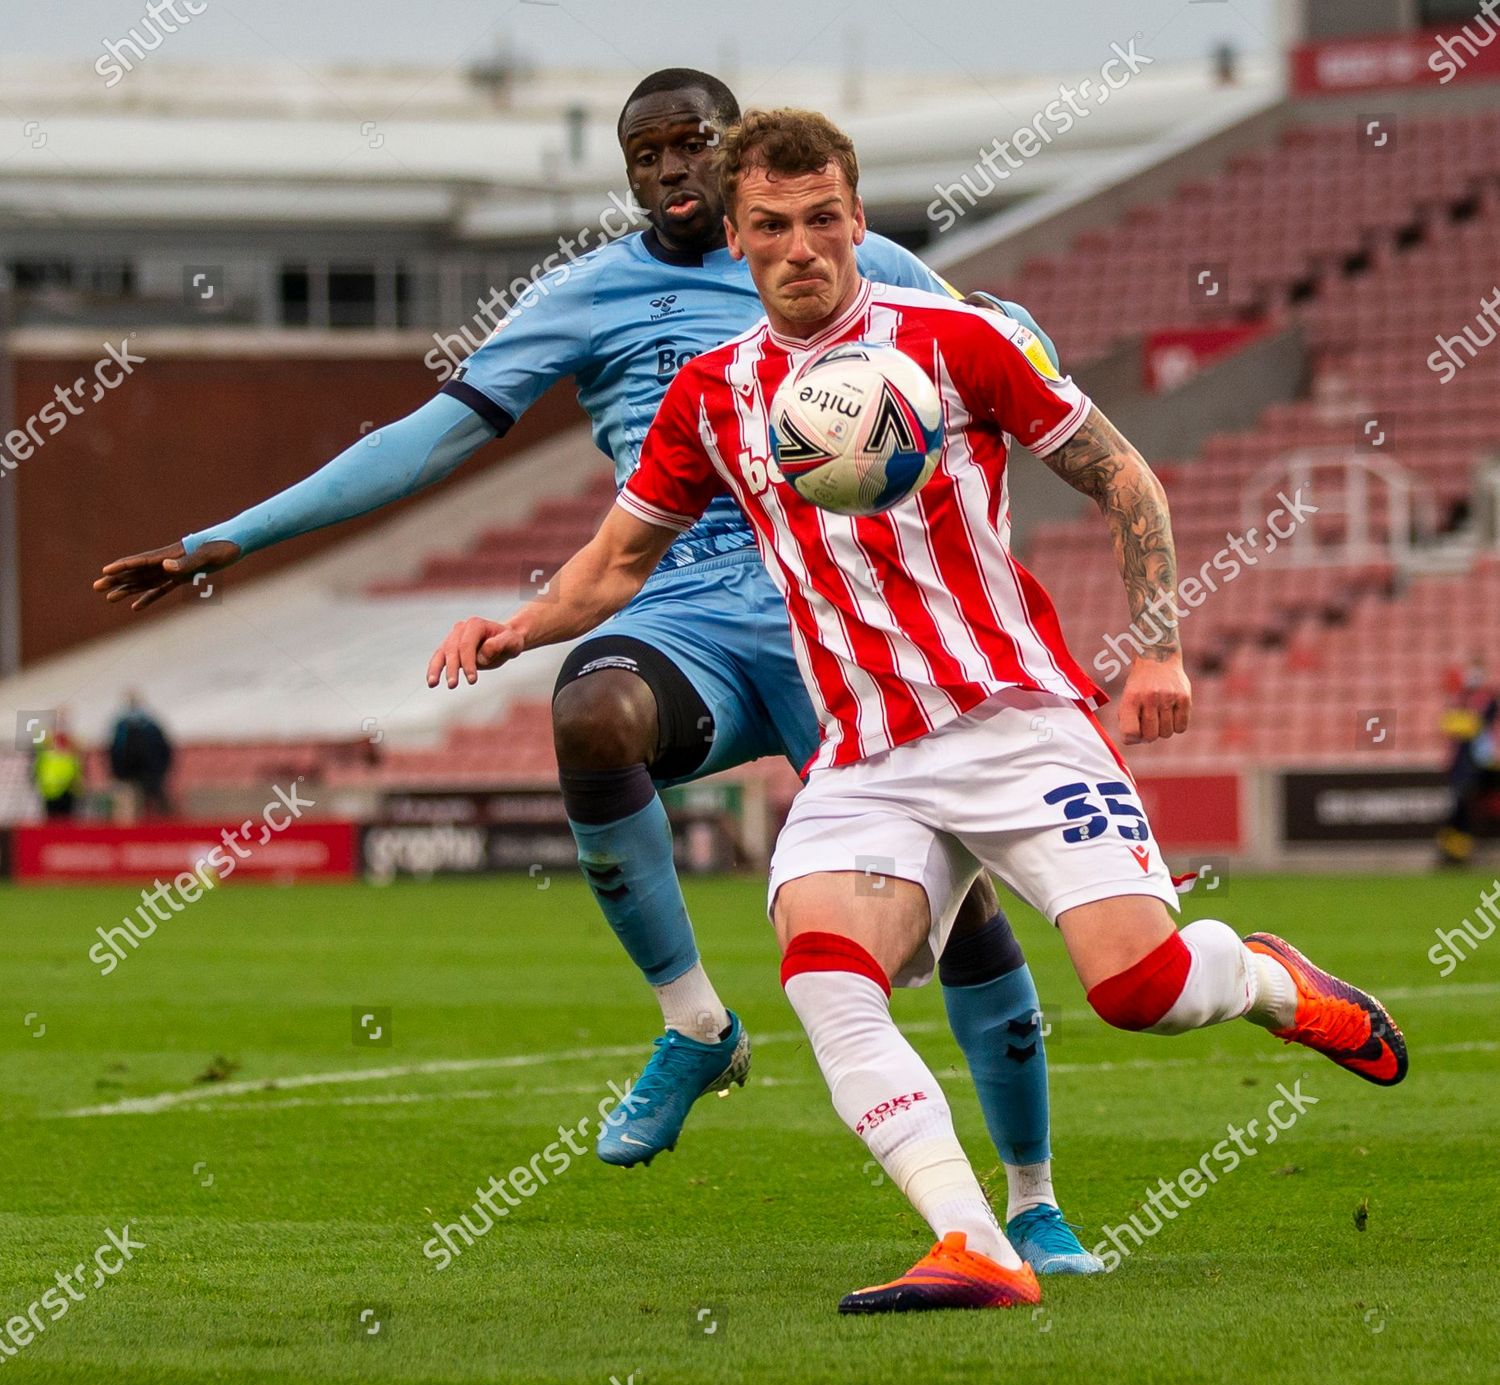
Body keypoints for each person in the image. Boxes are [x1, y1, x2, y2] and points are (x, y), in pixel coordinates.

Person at [92, 69, 1097, 1271]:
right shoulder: (584, 296)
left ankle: (1032, 1198)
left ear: (741, 157)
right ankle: (694, 1021)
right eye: (649, 154)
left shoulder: (843, 253)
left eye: (697, 146)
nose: (675, 170)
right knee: (594, 713)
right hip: (683, 613)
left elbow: (995, 353)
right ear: (627, 172)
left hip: (850, 619)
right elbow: (427, 439)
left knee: (968, 911)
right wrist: (231, 537)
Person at [426, 106, 1409, 1314]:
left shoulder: (959, 340)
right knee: (826, 974)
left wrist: (1156, 650)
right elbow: (618, 561)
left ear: (858, 217)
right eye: (772, 227)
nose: (802, 247)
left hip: (1013, 720)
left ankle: (1265, 978)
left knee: (1137, 992)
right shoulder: (711, 395)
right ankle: (974, 1240)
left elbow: (1124, 477)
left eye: (825, 219)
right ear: (734, 238)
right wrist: (516, 626)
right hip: (866, 753)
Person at [1437, 657, 1498, 866]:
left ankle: (1457, 850)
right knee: (1460, 808)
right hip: (1463, 767)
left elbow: (1474, 725)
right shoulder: (1461, 701)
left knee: (1465, 808)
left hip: (1478, 766)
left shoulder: (1486, 701)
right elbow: (1450, 726)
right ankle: (1453, 851)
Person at [108, 692, 175, 819]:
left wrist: (160, 771)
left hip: (150, 774)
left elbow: (164, 749)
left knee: (154, 807)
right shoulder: (121, 726)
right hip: (127, 775)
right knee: (128, 808)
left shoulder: (151, 726)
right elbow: (114, 751)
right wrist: (116, 771)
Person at [33, 726, 84, 820]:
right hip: (50, 792)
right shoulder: (47, 754)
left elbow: (76, 773)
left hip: (66, 792)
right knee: (52, 820)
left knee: (65, 821)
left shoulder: (70, 756)